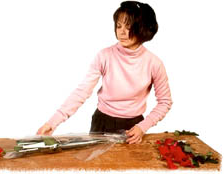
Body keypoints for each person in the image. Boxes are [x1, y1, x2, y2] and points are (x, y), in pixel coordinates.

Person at [37, 1, 173, 144]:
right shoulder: (104, 56)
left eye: (129, 26)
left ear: (143, 28)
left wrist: (142, 127)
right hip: (102, 123)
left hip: (133, 127)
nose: (122, 32)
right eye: (119, 26)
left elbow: (165, 102)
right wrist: (52, 122)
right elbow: (82, 91)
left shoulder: (154, 63)